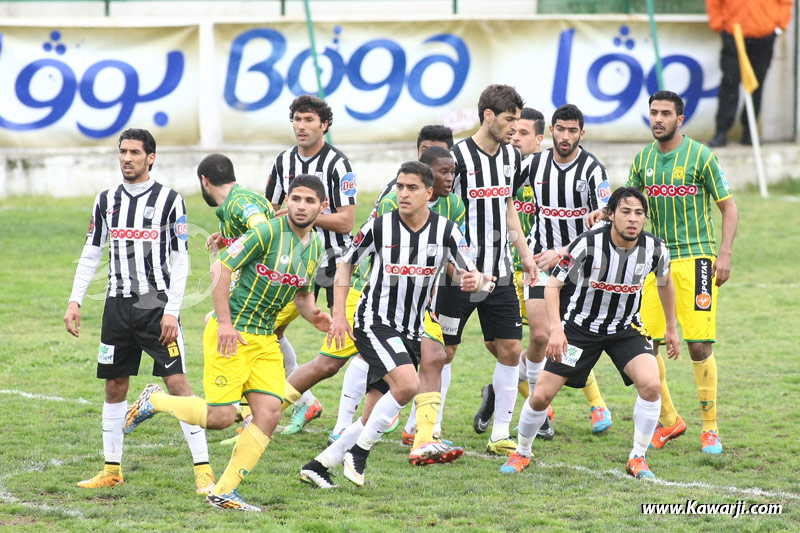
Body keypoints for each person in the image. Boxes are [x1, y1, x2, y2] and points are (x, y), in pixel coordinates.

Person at [124, 175, 332, 511]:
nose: (301, 206)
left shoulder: (316, 247)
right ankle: (155, 401)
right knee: (222, 417)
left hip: (265, 339)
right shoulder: (266, 232)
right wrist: (224, 324)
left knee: (269, 413)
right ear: (287, 201)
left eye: (310, 201)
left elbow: (302, 294)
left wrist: (317, 317)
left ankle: (224, 491)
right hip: (233, 335)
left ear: (322, 207)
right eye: (296, 199)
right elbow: (220, 269)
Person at [299, 161, 489, 488]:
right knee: (408, 384)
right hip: (374, 321)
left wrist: (477, 281)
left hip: (411, 330)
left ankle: (319, 465)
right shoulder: (379, 226)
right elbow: (345, 265)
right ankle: (359, 452)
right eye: (400, 186)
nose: (403, 193)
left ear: (428, 193)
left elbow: (469, 273)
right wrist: (340, 315)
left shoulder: (447, 231)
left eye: (412, 188)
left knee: (372, 413)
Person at [63, 128, 215, 493]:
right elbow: (91, 252)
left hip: (156, 307)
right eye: (123, 151)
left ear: (151, 158)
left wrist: (172, 311)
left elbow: (181, 260)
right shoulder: (106, 200)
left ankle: (204, 471)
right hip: (116, 308)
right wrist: (74, 300)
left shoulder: (169, 200)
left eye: (134, 152)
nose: (127, 158)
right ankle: (111, 469)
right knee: (115, 385)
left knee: (178, 384)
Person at [501, 187, 679, 480]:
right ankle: (522, 452)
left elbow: (665, 282)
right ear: (610, 215)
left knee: (651, 384)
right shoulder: (588, 243)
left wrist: (671, 328)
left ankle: (638, 457)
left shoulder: (655, 248)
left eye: (639, 213)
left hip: (626, 329)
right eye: (625, 212)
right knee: (541, 395)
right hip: (580, 331)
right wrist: (557, 330)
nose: (633, 219)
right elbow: (553, 285)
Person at [473, 107, 614, 439]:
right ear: (551, 130)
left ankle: (498, 390)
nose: (565, 136)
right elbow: (502, 194)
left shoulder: (593, 170)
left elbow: (605, 222)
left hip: (580, 268)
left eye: (572, 131)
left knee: (571, 347)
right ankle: (539, 413)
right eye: (560, 129)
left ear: (582, 133)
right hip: (540, 263)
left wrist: (563, 251)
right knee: (539, 336)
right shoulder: (534, 164)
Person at [626, 90, 738, 454]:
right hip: (656, 260)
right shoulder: (643, 159)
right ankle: (670, 419)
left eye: (665, 113)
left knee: (698, 344)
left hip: (698, 260)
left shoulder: (701, 156)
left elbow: (729, 208)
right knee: (645, 344)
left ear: (680, 119)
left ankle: (711, 429)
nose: (658, 119)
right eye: (653, 113)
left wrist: (724, 253)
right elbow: (629, 204)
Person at [436, 84, 538, 456]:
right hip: (460, 275)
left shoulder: (511, 157)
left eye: (518, 121)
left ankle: (499, 434)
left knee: (510, 348)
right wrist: (454, 266)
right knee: (444, 352)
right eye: (509, 120)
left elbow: (509, 205)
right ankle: (428, 428)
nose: (515, 128)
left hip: (500, 273)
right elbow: (443, 214)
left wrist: (524, 254)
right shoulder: (457, 158)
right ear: (488, 116)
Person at [265, 95, 357, 434]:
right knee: (267, 330)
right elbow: (268, 209)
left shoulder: (338, 164)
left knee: (348, 341)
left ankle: (357, 419)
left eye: (309, 120)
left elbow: (346, 222)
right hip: (293, 262)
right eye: (297, 119)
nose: (301, 126)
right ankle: (305, 402)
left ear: (324, 125)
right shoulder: (283, 161)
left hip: (334, 263)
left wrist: (303, 215)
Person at [197, 153, 274, 445]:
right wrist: (227, 239)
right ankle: (255, 408)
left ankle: (235, 403)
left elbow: (261, 229)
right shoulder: (245, 198)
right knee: (268, 338)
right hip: (273, 282)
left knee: (218, 324)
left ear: (204, 181)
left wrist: (236, 245)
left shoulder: (239, 203)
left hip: (264, 286)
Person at [707, 0, 793, 147]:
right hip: (733, 33)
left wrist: (779, 26)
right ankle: (722, 131)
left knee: (756, 84)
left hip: (764, 34)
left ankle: (749, 131)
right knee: (730, 81)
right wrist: (718, 23)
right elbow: (713, 2)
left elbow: (785, 3)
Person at [369, 124, 454, 218]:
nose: (431, 157)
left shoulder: (454, 191)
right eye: (425, 150)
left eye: (439, 152)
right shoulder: (393, 194)